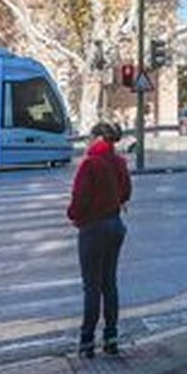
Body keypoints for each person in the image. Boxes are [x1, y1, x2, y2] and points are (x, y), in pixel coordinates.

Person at [66, 121, 131, 357]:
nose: (88, 142)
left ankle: (86, 341)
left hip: (93, 229)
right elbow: (126, 192)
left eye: (90, 138)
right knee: (109, 283)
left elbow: (79, 201)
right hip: (115, 226)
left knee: (91, 286)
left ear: (98, 138)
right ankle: (111, 337)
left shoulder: (90, 164)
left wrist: (73, 215)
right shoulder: (119, 162)